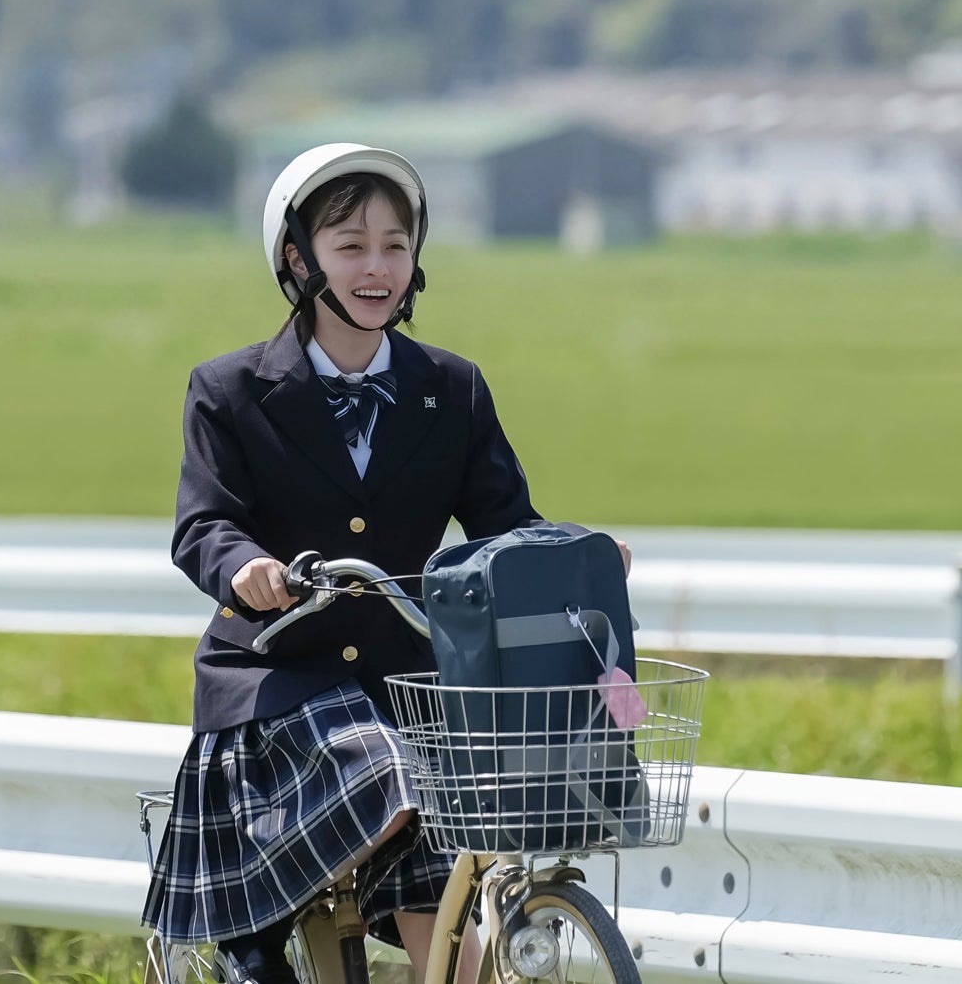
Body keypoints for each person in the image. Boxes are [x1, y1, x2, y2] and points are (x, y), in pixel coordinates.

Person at [140, 143, 629, 984]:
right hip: (275, 683)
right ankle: (260, 927)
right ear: (299, 259)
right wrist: (247, 567)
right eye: (350, 245)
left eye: (395, 245)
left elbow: (506, 523)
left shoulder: (453, 388)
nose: (377, 267)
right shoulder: (229, 390)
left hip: (405, 681)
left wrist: (573, 553)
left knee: (438, 844)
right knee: (399, 776)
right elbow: (204, 523)